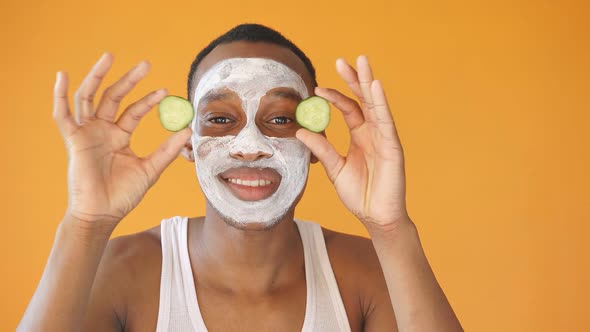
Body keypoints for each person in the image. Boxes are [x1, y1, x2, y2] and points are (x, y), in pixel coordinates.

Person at [18, 24, 462, 331]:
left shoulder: (368, 273)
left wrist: (390, 228)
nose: (249, 146)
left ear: (315, 143)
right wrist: (85, 226)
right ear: (187, 141)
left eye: (281, 120)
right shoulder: (120, 272)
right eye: (219, 118)